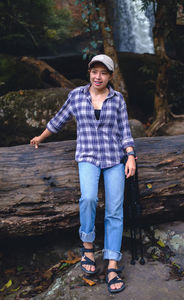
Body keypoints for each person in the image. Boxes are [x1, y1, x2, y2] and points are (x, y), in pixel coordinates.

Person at [30, 54, 136, 294]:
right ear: (89, 72)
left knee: (115, 210)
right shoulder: (76, 95)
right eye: (94, 71)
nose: (98, 77)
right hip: (87, 156)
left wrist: (130, 156)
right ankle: (87, 247)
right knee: (88, 198)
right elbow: (58, 120)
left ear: (110, 76)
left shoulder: (117, 99)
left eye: (103, 73)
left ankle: (111, 264)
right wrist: (40, 137)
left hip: (114, 159)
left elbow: (125, 131)